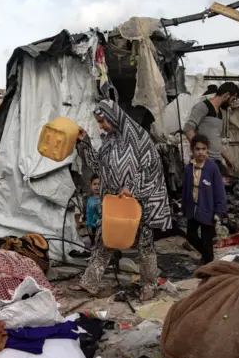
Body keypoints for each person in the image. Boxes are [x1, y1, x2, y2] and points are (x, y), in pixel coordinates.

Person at [71, 100, 172, 301]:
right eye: (98, 122)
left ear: (114, 117)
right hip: (116, 202)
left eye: (103, 121)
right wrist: (84, 143)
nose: (101, 125)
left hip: (139, 202)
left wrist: (132, 188)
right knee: (104, 240)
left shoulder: (139, 138)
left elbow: (152, 168)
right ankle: (90, 282)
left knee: (144, 244)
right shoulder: (109, 141)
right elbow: (97, 166)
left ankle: (149, 285)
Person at [182, 134, 227, 265]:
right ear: (192, 150)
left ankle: (208, 262)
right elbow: (185, 190)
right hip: (192, 209)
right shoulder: (189, 168)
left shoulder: (212, 168)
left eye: (203, 149)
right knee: (191, 236)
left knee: (207, 240)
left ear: (207, 150)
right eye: (197, 149)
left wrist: (219, 211)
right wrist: (184, 208)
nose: (201, 152)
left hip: (208, 210)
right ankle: (206, 255)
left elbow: (219, 191)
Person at [183, 82, 239, 175]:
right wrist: (201, 153)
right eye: (232, 99)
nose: (231, 103)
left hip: (217, 162)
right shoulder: (203, 107)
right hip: (205, 162)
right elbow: (188, 129)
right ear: (226, 95)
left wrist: (227, 158)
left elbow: (216, 140)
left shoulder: (220, 113)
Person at [86, 174, 102, 244]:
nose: (97, 186)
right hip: (93, 227)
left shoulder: (105, 198)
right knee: (94, 243)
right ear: (91, 185)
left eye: (99, 184)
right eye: (94, 184)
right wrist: (89, 226)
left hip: (103, 227)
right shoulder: (90, 200)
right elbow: (89, 213)